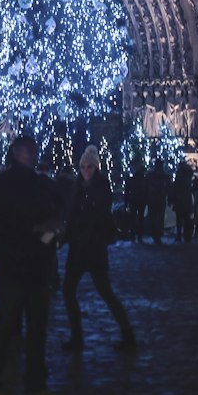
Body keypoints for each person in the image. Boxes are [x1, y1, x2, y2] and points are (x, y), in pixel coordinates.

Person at [0, 135, 61, 395]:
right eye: (29, 152)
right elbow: (4, 224)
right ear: (17, 153)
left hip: (31, 264)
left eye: (34, 152)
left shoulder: (34, 183)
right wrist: (37, 227)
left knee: (34, 327)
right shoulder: (8, 184)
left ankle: (32, 381)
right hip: (19, 263)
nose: (33, 156)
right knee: (8, 325)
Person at [61, 145, 135, 352]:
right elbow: (72, 215)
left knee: (106, 293)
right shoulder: (77, 187)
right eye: (83, 167)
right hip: (78, 248)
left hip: (93, 249)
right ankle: (77, 336)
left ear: (96, 168)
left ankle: (128, 335)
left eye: (90, 167)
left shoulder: (101, 187)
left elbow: (97, 216)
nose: (86, 170)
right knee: (68, 292)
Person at [144, 160, 170, 244]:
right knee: (160, 217)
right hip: (161, 199)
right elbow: (169, 187)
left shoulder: (150, 175)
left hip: (152, 199)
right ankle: (158, 234)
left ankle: (154, 234)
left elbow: (146, 187)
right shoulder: (164, 176)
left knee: (153, 217)